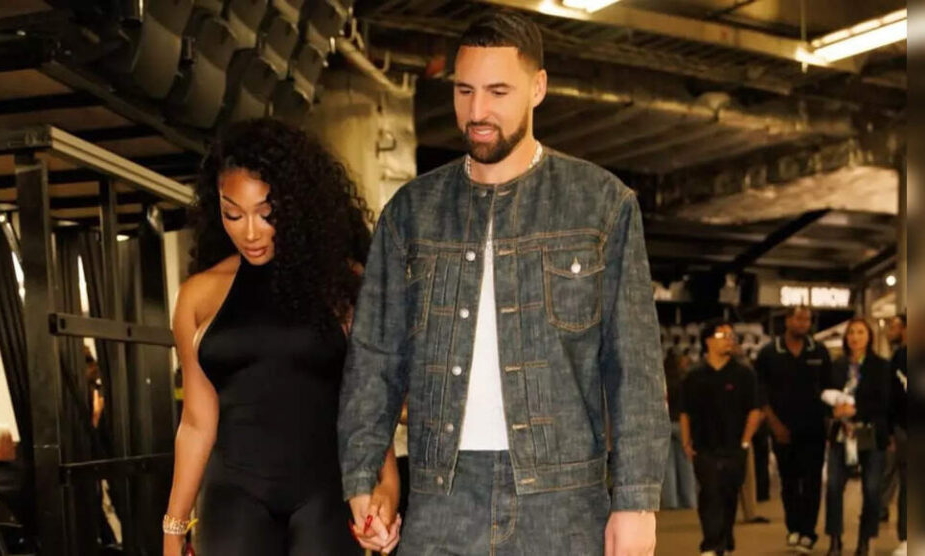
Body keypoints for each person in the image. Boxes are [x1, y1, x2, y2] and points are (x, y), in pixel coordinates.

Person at [337, 9, 669, 555]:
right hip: (441, 500)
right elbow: (374, 358)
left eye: (497, 92)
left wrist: (636, 502)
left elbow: (634, 365)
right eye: (464, 91)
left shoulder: (602, 205)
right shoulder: (411, 213)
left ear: (538, 88)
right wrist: (361, 479)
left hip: (563, 504)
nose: (477, 112)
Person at [162, 118, 400, 556]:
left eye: (266, 213)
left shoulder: (343, 287)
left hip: (325, 494)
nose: (249, 231)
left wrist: (387, 485)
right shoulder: (198, 296)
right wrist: (173, 528)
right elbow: (196, 422)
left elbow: (367, 402)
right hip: (232, 499)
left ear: (296, 206)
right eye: (233, 214)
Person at [680, 321, 762, 556]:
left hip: (734, 447)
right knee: (710, 493)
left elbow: (754, 410)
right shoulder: (694, 376)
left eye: (731, 335)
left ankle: (724, 541)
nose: (729, 339)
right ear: (708, 341)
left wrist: (745, 441)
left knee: (728, 494)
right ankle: (711, 544)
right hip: (704, 447)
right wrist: (686, 441)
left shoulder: (744, 374)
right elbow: (685, 412)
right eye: (722, 335)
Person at [755, 305, 831, 553]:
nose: (803, 323)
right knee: (788, 482)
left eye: (807, 320)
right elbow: (761, 393)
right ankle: (793, 529)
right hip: (782, 430)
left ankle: (808, 533)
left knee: (811, 482)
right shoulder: (769, 352)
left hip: (814, 429)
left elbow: (829, 389)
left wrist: (829, 424)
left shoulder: (819, 351)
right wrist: (774, 425)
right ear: (787, 321)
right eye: (798, 319)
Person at [823, 318, 891, 556]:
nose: (855, 337)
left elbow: (885, 401)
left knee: (871, 489)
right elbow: (823, 394)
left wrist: (856, 410)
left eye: (860, 332)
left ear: (869, 336)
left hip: (870, 433)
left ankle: (865, 540)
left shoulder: (881, 366)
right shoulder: (837, 365)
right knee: (833, 486)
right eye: (851, 332)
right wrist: (833, 411)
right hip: (841, 434)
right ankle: (835, 540)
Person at [662, 353, 697, 509]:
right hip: (681, 424)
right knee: (686, 464)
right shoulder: (685, 382)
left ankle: (671, 502)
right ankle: (689, 500)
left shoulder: (662, 382)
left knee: (668, 466)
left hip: (666, 424)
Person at [886, 314, 907, 556]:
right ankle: (907, 537)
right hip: (905, 427)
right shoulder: (899, 358)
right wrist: (891, 430)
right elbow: (891, 396)